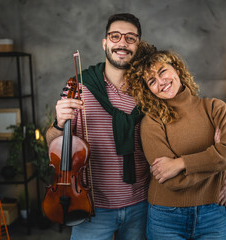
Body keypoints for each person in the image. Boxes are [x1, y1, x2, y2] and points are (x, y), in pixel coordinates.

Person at [45, 13, 149, 240]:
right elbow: (52, 144)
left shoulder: (149, 91)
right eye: (115, 36)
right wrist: (58, 123)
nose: (122, 43)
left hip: (140, 205)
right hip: (91, 205)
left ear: (138, 46)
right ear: (105, 43)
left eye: (130, 38)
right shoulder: (78, 86)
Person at [124, 42, 226, 240]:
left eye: (162, 71)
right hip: (165, 217)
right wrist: (217, 166)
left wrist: (180, 163)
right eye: (151, 81)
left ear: (176, 68)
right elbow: (173, 181)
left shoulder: (215, 108)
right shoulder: (151, 122)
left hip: (212, 213)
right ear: (148, 90)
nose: (160, 82)